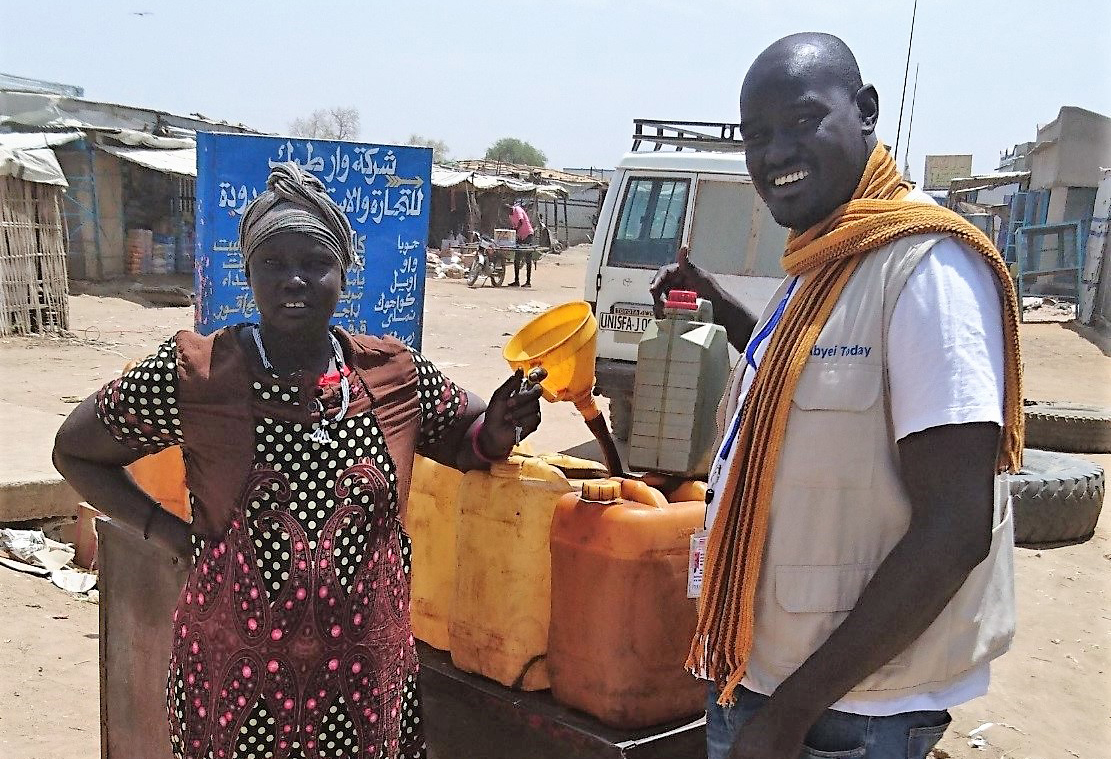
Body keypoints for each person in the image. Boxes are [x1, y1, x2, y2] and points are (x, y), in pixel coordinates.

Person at [53, 163, 542, 759]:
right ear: (250, 273)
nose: (295, 280)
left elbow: (466, 438)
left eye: (315, 264)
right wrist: (166, 534)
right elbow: (75, 450)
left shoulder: (391, 374)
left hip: (364, 687)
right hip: (235, 686)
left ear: (344, 273)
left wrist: (497, 427)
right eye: (274, 264)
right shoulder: (199, 375)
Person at [650, 33, 1023, 759]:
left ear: (865, 112)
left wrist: (789, 716)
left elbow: (954, 526)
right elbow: (809, 379)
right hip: (772, 684)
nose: (774, 154)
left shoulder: (925, 268)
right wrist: (726, 313)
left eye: (799, 121)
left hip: (846, 716)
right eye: (755, 136)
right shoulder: (821, 262)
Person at [505, 201, 535, 288]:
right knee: (517, 259)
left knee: (528, 259)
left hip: (528, 234)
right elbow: (515, 226)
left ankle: (528, 281)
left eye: (509, 211)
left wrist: (515, 231)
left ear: (510, 208)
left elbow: (521, 222)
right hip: (520, 236)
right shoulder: (510, 215)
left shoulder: (517, 210)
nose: (508, 214)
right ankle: (516, 280)